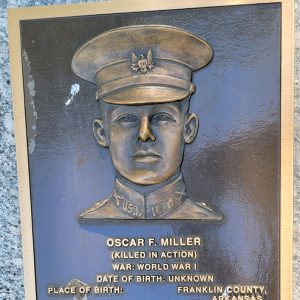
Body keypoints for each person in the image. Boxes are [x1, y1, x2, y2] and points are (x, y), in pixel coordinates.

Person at [72, 25, 222, 221]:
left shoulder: (210, 222)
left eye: (161, 118)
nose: (144, 134)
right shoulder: (88, 223)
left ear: (189, 128)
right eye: (126, 119)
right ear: (102, 133)